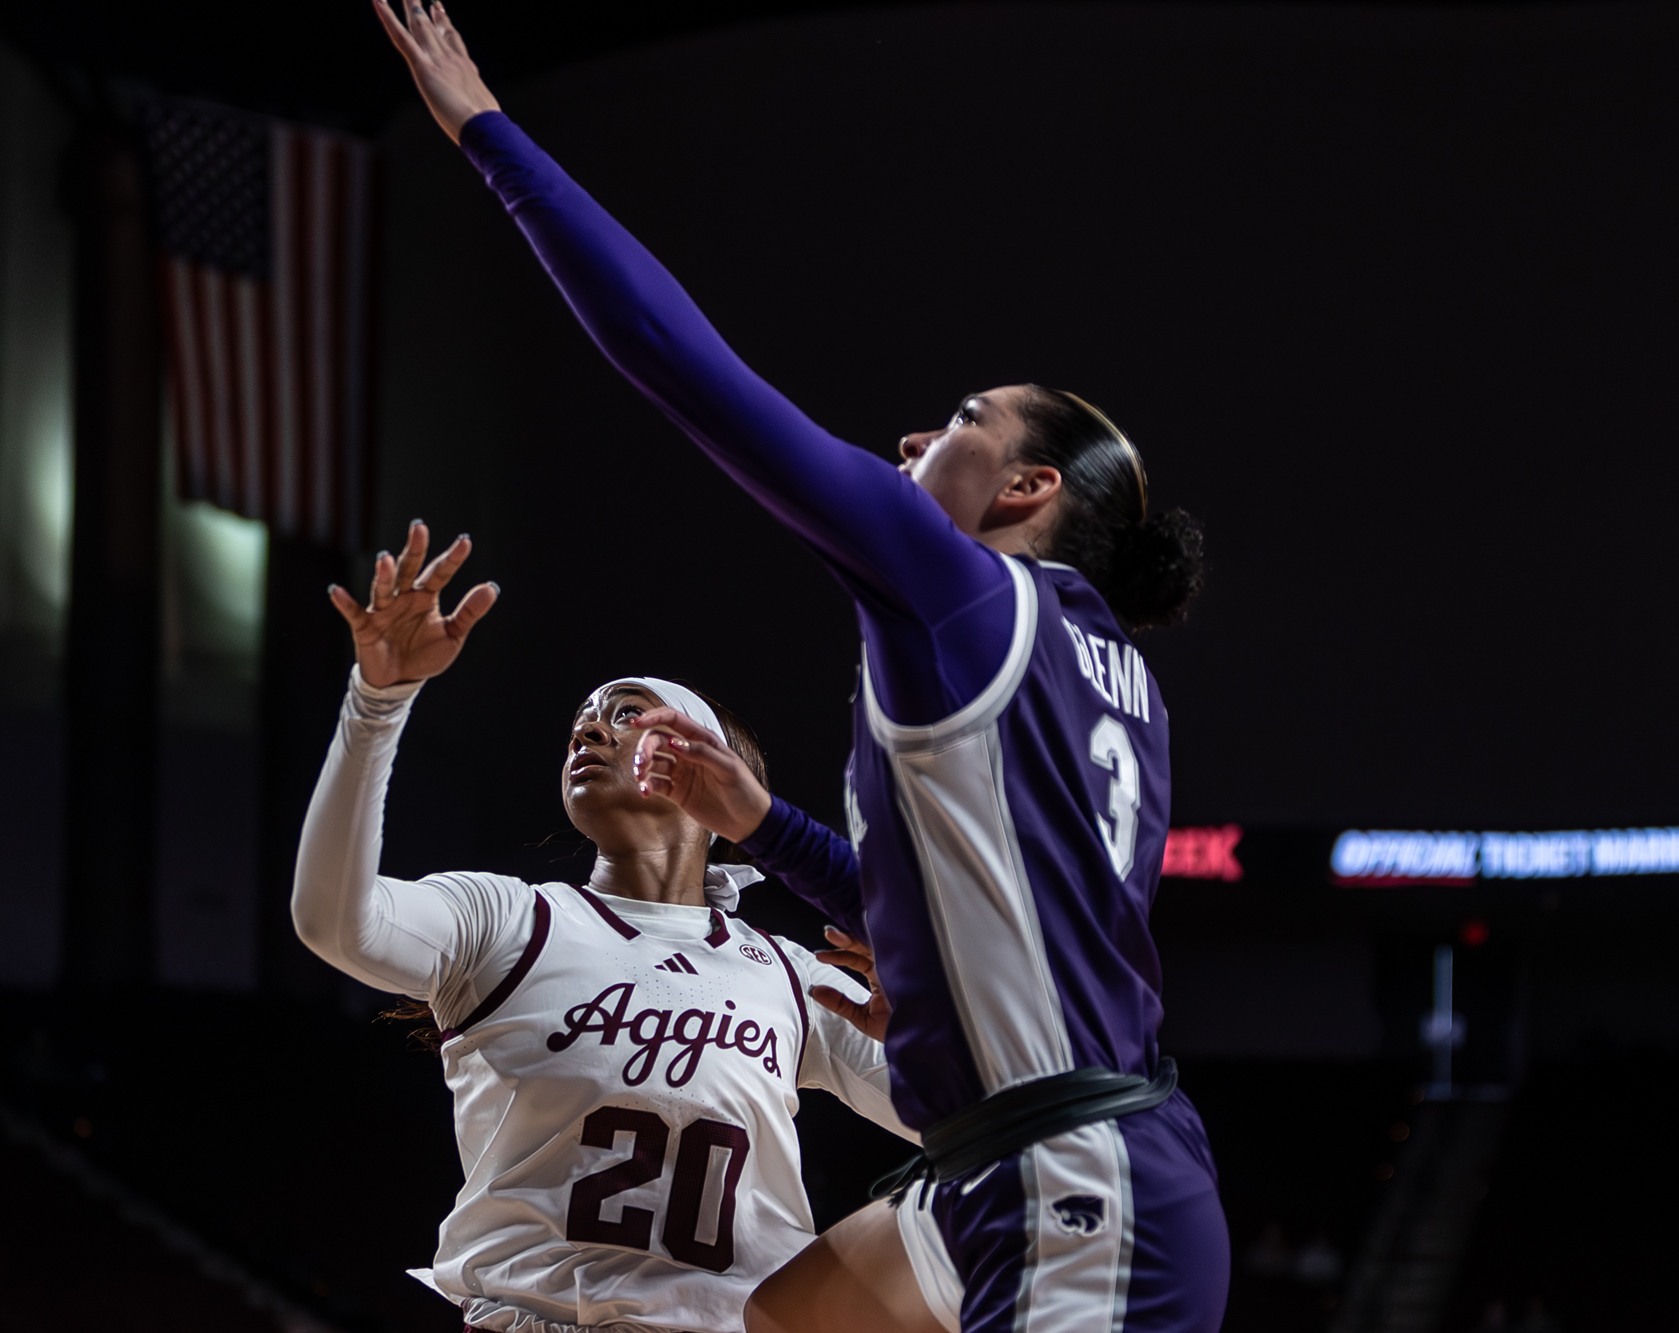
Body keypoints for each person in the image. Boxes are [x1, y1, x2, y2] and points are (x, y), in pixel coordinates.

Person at [370, 5, 1226, 1330]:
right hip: (1008, 1158)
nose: (912, 435)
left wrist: (488, 134)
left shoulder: (956, 586)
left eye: (959, 421)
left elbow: (684, 369)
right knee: (779, 1319)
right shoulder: (1113, 673)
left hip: (1070, 1173)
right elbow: (940, 906)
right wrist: (762, 828)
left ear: (1025, 488)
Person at [291, 521, 917, 1333]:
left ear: (713, 764)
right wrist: (377, 703)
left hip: (731, 1324)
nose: (589, 729)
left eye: (627, 715)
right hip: (533, 1317)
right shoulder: (509, 918)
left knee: (976, 1221)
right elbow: (335, 922)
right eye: (584, 719)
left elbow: (979, 1120)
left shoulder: (791, 973)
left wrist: (931, 1038)